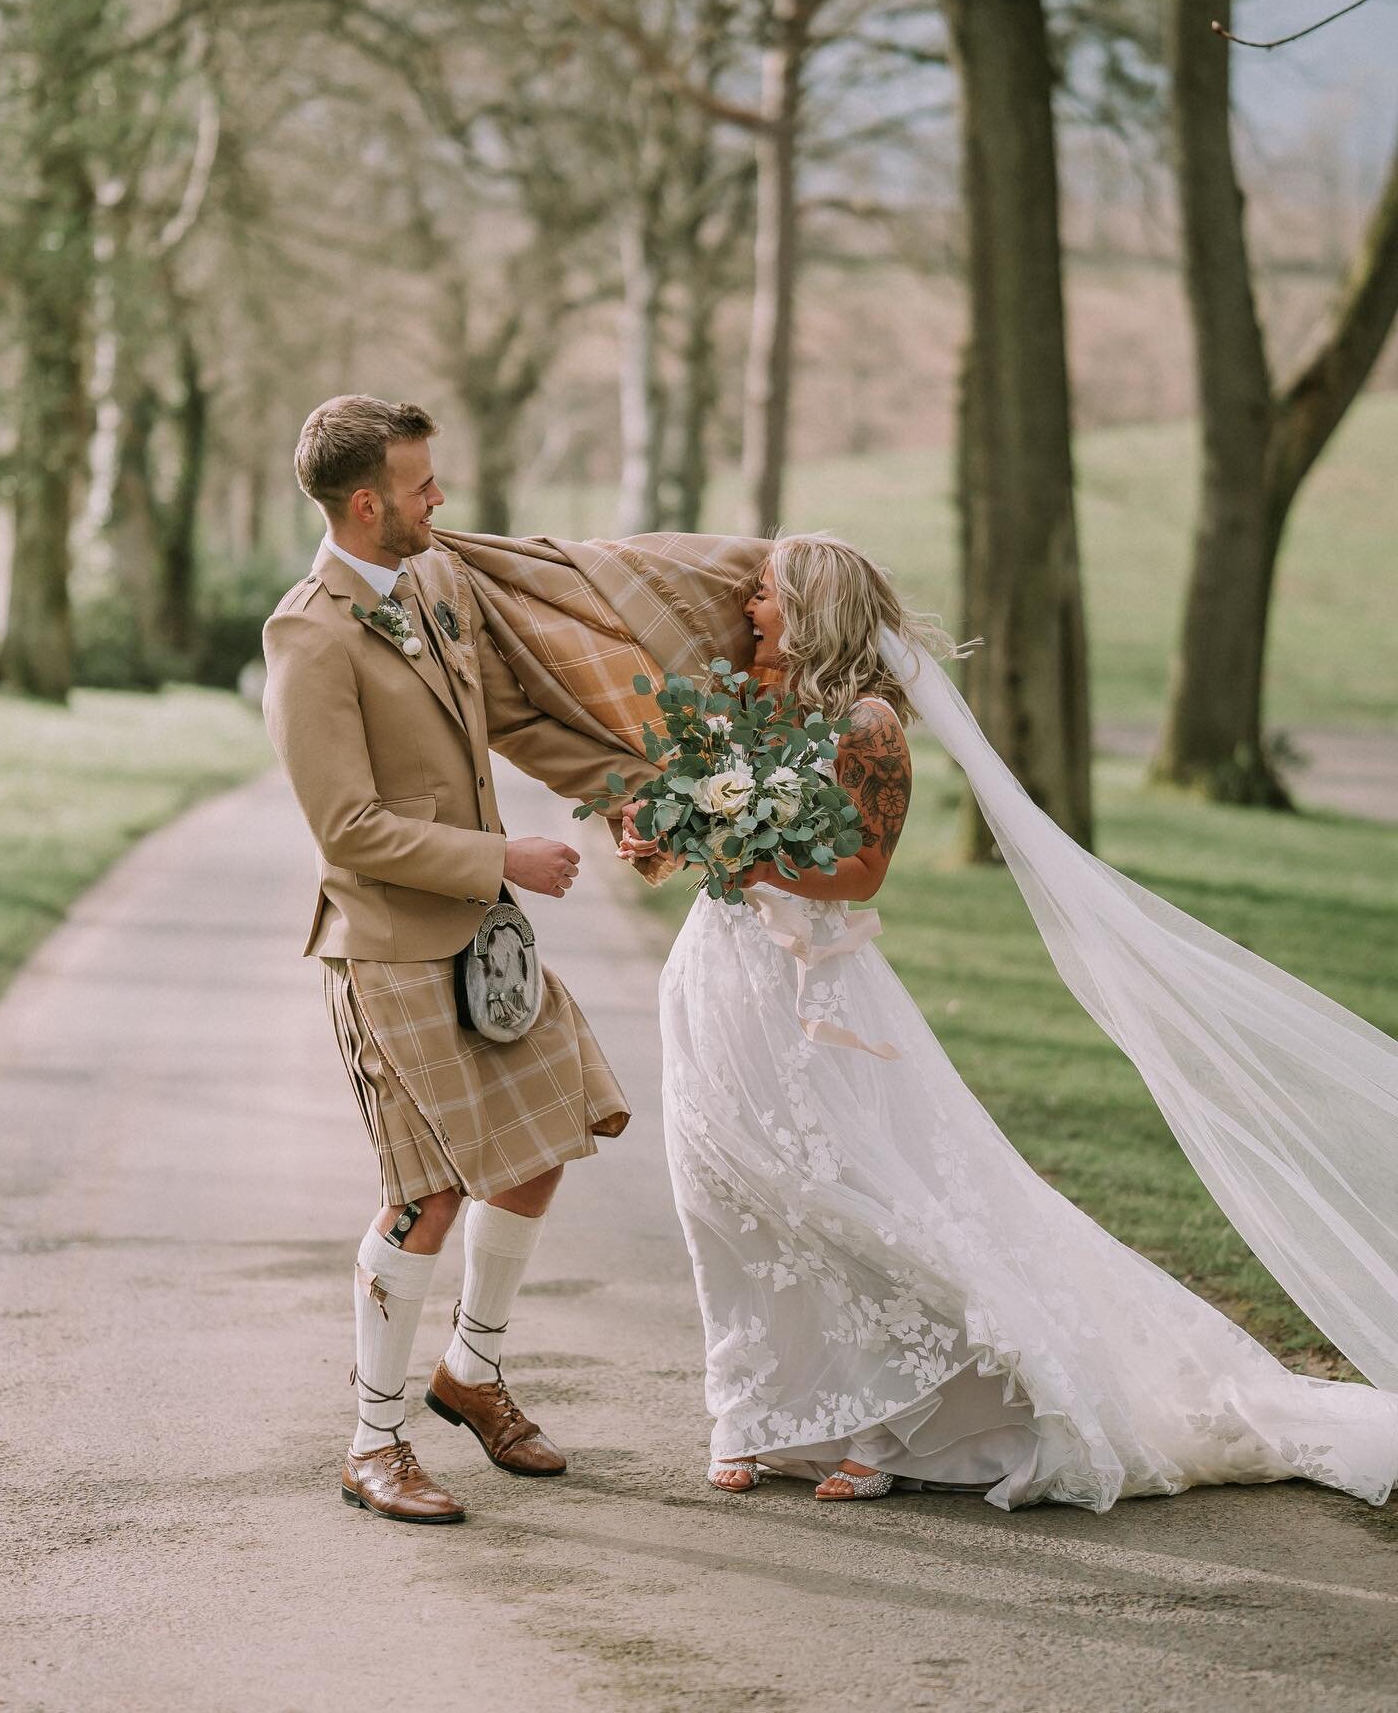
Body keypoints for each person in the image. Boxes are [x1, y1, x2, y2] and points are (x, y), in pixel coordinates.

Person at [625, 535, 1398, 1509]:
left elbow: (862, 871)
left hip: (815, 994)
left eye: (768, 592)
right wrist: (662, 834)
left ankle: (883, 1424)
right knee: (722, 1190)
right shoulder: (751, 709)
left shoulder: (868, 724)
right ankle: (752, 1413)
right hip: (714, 974)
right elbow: (685, 844)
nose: (751, 606)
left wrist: (741, 850)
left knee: (844, 1194)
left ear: (813, 608)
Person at [263, 395, 647, 1525]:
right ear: (367, 501)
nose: (444, 499)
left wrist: (628, 792)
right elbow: (349, 828)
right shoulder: (311, 634)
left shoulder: (434, 585)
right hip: (388, 949)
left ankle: (470, 1371)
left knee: (541, 1145)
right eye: (424, 485)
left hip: (482, 942)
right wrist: (506, 855)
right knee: (424, 1193)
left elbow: (518, 715)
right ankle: (373, 1441)